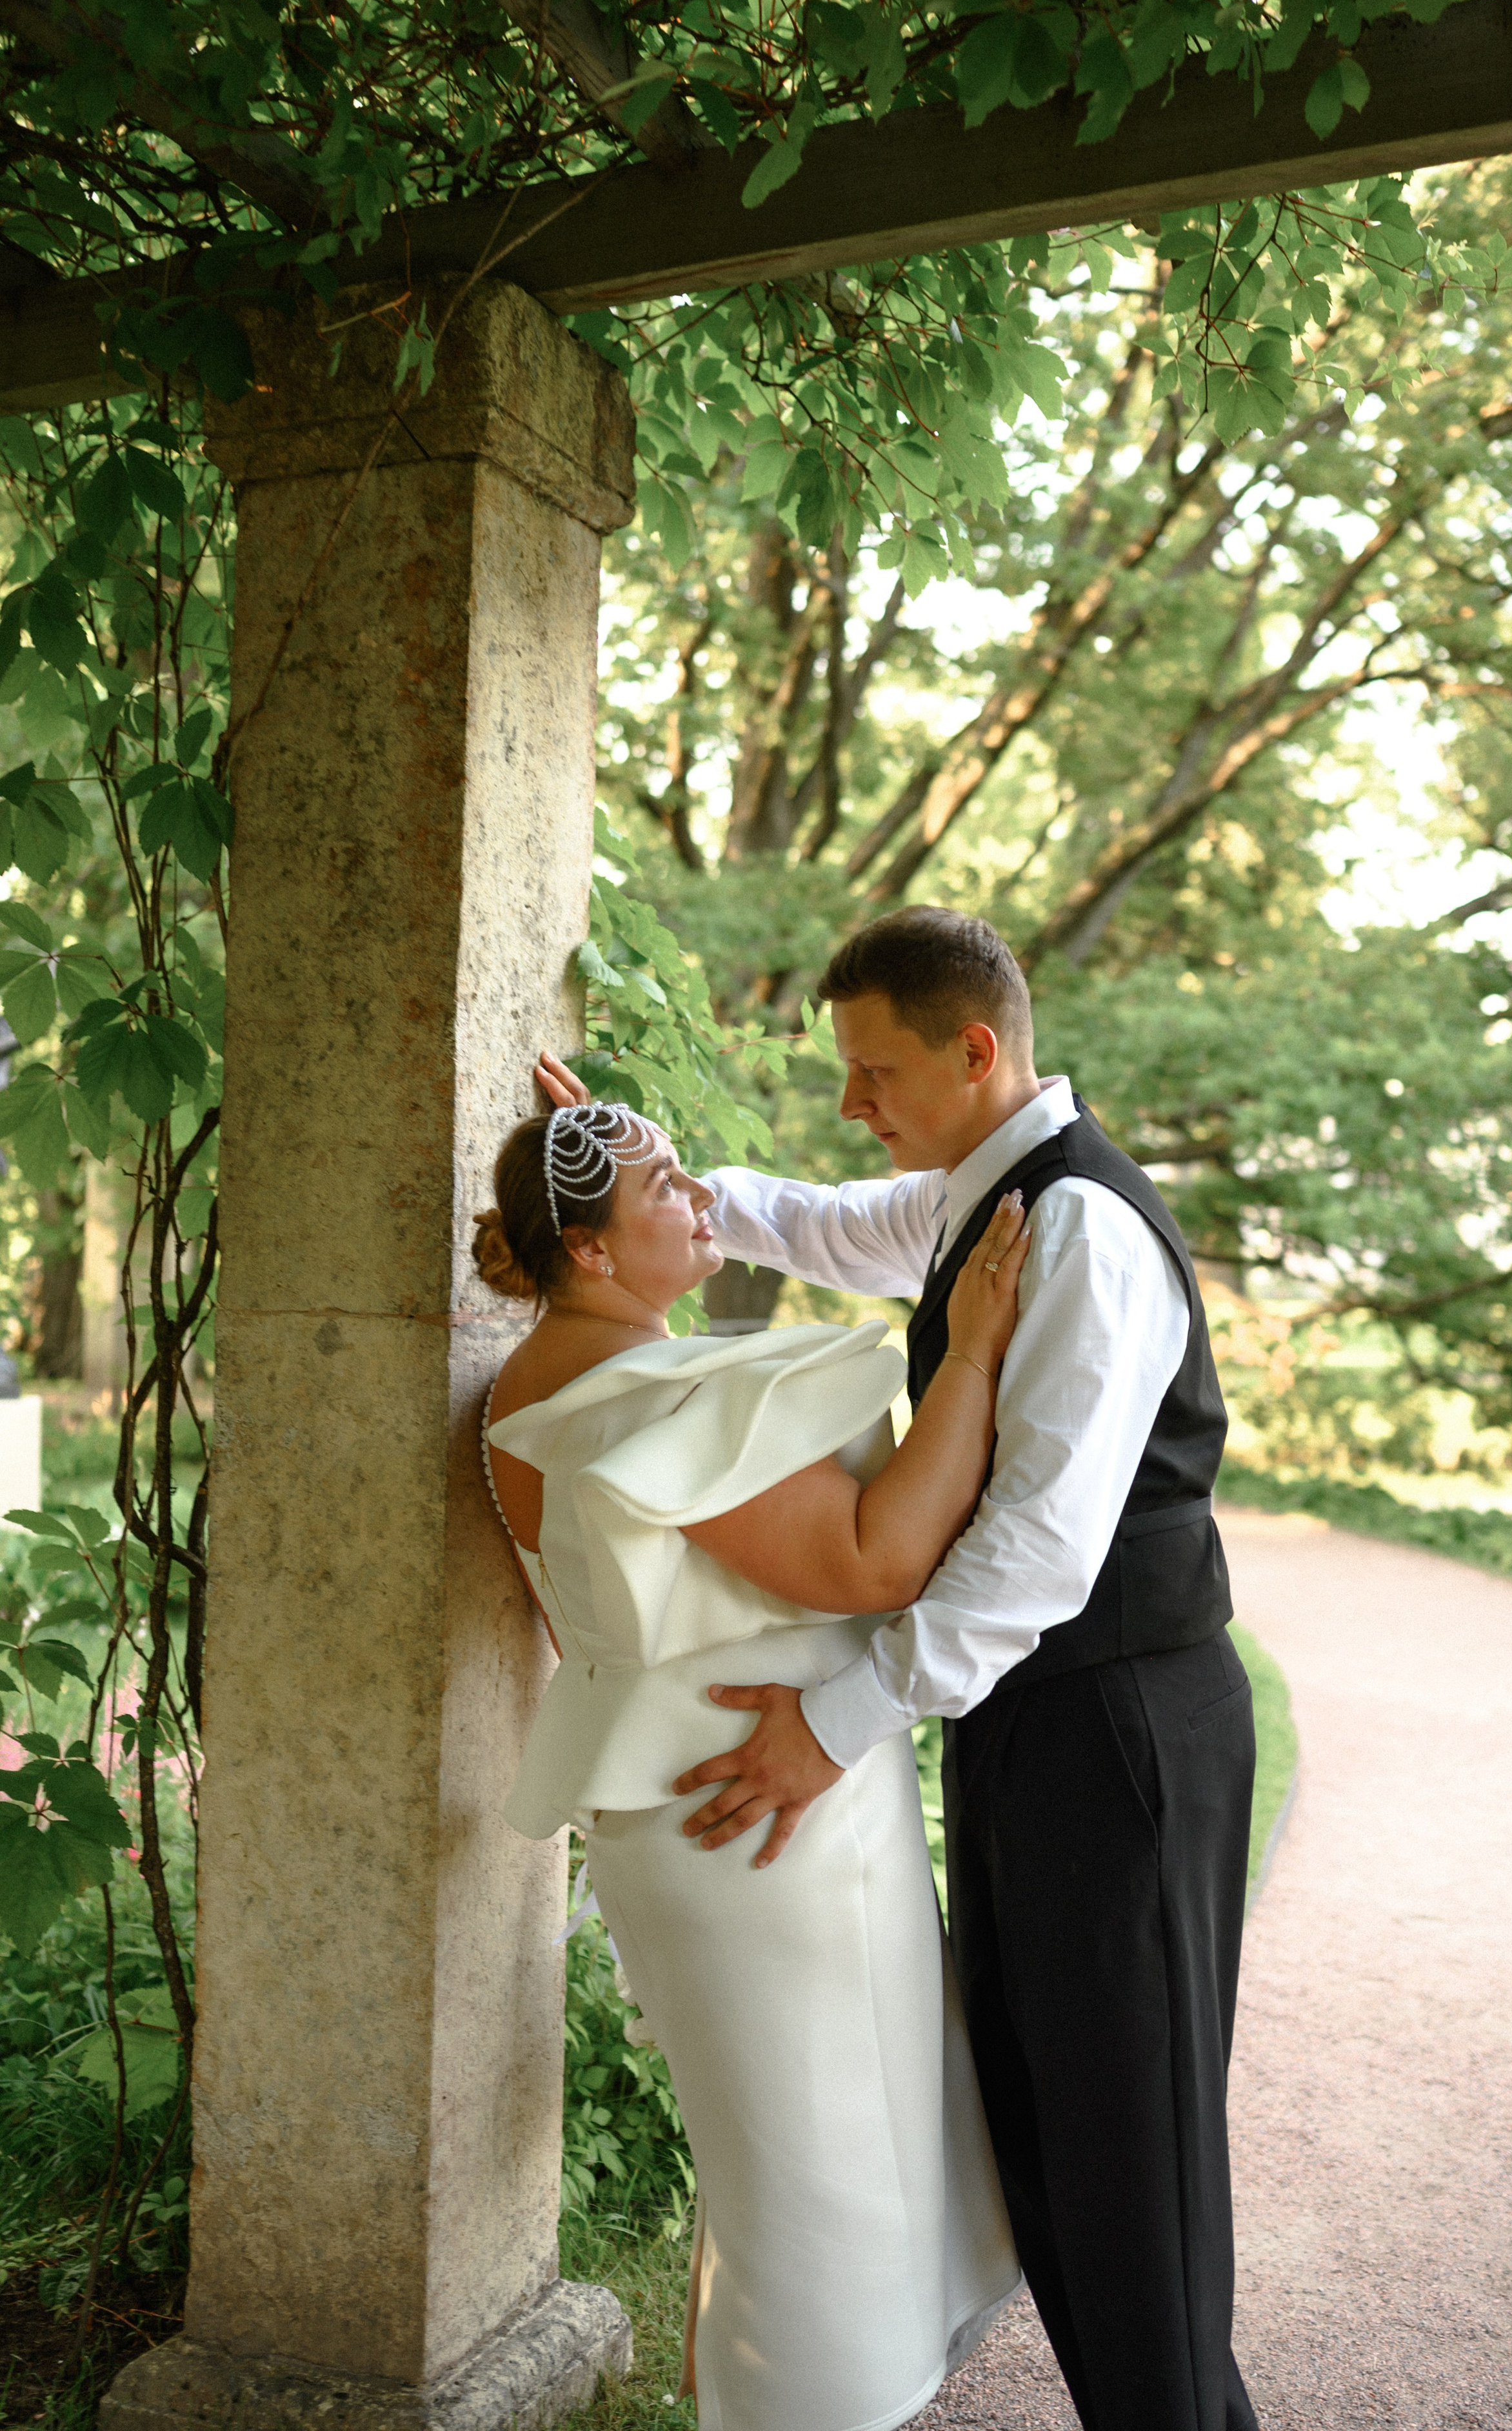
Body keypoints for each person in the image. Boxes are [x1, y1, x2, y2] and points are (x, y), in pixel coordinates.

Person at [536, 905, 1260, 2431]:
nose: (852, 1105)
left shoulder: (1075, 1231)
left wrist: (839, 1720)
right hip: (1036, 1727)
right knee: (1050, 2124)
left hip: (1119, 1726)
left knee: (1130, 2162)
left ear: (973, 1052)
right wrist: (630, 1186)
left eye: (873, 1073)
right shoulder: (970, 1198)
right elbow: (814, 1222)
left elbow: (1036, 1555)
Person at [473, 1099, 1025, 2431]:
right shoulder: (612, 1397)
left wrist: (602, 1143)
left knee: (830, 2153)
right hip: (752, 1816)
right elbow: (875, 1559)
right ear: (592, 1253)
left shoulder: (549, 1374)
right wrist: (970, 1358)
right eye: (666, 1187)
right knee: (815, 2184)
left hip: (762, 1794)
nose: (701, 1199)